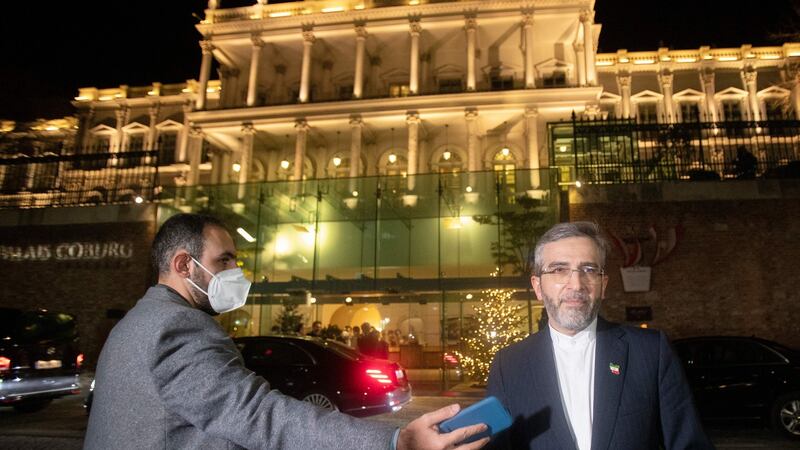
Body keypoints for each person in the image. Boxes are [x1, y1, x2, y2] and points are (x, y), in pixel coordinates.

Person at [85, 213, 488, 450]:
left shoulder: (133, 324)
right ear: (183, 264)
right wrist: (395, 442)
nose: (235, 271)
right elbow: (259, 415)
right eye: (224, 260)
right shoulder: (178, 327)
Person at [486, 222, 712, 450]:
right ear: (538, 286)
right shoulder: (509, 365)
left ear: (603, 285)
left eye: (589, 270)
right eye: (559, 270)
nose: (576, 285)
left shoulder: (651, 352)